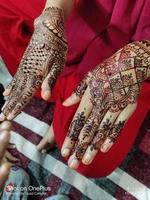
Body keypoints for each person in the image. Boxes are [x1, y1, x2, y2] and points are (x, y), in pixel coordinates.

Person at [0, 0, 150, 177]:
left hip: (141, 44)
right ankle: (59, 88)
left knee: (88, 158)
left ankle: (65, 93)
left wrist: (140, 58)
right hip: (90, 10)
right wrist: (53, 13)